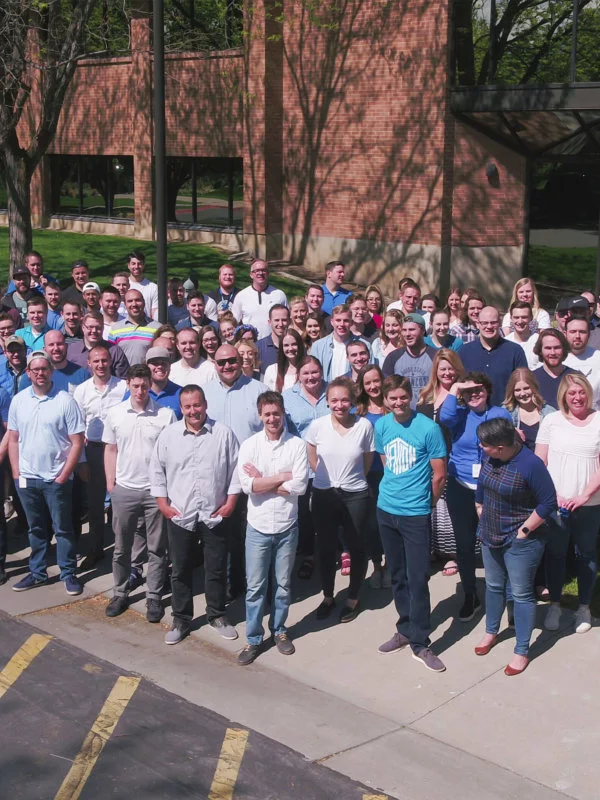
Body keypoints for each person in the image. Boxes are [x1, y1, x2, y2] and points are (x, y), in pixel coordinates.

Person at [150, 384, 241, 645]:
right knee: (180, 569)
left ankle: (217, 615)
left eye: (197, 405)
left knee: (216, 568)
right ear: (181, 408)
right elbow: (157, 471)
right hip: (181, 513)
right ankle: (181, 619)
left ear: (205, 405)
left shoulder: (223, 434)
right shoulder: (168, 436)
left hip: (214, 512)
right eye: (188, 406)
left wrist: (231, 501)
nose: (193, 411)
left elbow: (236, 470)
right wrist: (163, 505)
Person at [375, 375, 448, 672]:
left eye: (402, 397)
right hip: (386, 509)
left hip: (415, 514)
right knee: (398, 575)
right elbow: (386, 462)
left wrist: (426, 504)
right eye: (392, 398)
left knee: (418, 578)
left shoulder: (429, 429)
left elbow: (439, 474)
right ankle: (404, 628)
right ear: (385, 400)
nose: (398, 403)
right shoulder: (381, 426)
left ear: (412, 396)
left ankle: (420, 641)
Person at [474, 418, 557, 676]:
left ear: (501, 446)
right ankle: (491, 632)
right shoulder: (490, 456)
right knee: (494, 585)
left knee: (521, 594)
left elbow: (548, 502)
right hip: (490, 533)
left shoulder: (529, 464)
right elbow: (482, 486)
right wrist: (479, 507)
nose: (481, 446)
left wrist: (524, 531)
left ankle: (521, 650)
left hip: (521, 541)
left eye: (485, 444)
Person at [237, 391, 309, 665]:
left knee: (283, 586)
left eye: (276, 414)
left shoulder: (297, 446)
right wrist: (281, 478)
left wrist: (264, 480)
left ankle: (279, 630)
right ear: (260, 416)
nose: (272, 419)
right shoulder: (250, 445)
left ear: (282, 414)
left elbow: (300, 487)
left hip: (287, 526)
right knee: (255, 588)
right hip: (258, 527)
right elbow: (248, 486)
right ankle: (254, 639)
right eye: (267, 414)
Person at [103, 364, 175, 622]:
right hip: (125, 490)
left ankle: (154, 597)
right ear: (128, 385)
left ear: (150, 385)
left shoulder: (165, 415)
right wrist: (111, 484)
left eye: (145, 386)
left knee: (157, 549)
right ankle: (120, 592)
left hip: (154, 492)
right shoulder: (115, 413)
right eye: (135, 386)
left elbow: (171, 455)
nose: (140, 390)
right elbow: (110, 449)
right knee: (122, 548)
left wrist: (166, 490)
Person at [8, 351, 84, 595]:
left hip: (56, 478)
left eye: (44, 369)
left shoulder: (65, 400)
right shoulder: (19, 400)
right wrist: (17, 473)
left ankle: (68, 573)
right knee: (36, 529)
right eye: (35, 369)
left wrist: (63, 475)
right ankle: (38, 572)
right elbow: (13, 439)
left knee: (62, 529)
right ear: (28, 373)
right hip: (28, 478)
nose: (40, 373)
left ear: (51, 371)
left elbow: (77, 441)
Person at [439, 371, 512, 621]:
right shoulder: (459, 414)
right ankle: (471, 594)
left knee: (498, 541)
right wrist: (456, 387)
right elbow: (444, 415)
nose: (474, 395)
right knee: (464, 545)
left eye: (478, 389)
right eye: (468, 391)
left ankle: (506, 594)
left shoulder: (500, 414)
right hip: (460, 485)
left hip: (492, 486)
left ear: (488, 390)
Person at [306, 377, 374, 622]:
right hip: (324, 493)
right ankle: (327, 595)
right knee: (325, 548)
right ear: (327, 401)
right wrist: (325, 477)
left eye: (345, 399)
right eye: (334, 400)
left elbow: (367, 459)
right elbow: (312, 455)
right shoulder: (317, 426)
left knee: (356, 547)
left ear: (353, 401)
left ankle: (353, 597)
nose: (339, 404)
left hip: (355, 494)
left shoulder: (364, 426)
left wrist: (351, 480)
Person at [536, 373, 600, 635]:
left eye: (582, 392)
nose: (577, 397)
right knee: (556, 554)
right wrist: (555, 495)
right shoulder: (551, 421)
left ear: (589, 393)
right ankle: (555, 604)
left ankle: (583, 607)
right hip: (557, 503)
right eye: (572, 393)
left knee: (586, 555)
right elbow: (540, 461)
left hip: (589, 503)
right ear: (563, 395)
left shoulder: (598, 421)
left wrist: (585, 495)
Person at [73, 345, 127, 569]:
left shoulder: (123, 387)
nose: (101, 365)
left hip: (120, 449)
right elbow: (76, 428)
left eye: (104, 360)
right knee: (95, 504)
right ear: (89, 363)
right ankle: (95, 548)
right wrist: (82, 461)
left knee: (120, 502)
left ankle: (123, 550)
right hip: (93, 450)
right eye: (96, 361)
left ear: (110, 361)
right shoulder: (82, 391)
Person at [417, 348, 465, 575]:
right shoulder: (425, 396)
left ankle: (452, 554)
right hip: (429, 461)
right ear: (435, 371)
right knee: (432, 507)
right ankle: (435, 549)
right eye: (442, 368)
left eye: (451, 368)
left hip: (454, 457)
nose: (447, 373)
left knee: (449, 509)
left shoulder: (463, 395)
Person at [283, 356, 329, 580]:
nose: (311, 377)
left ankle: (336, 552)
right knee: (305, 515)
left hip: (332, 464)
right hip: (302, 465)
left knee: (331, 512)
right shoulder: (288, 398)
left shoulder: (333, 391)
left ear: (321, 372)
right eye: (306, 373)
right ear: (298, 375)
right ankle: (309, 556)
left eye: (315, 372)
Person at [355, 364, 389, 588]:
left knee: (389, 523)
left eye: (376, 381)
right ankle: (377, 565)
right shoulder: (357, 412)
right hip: (367, 475)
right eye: (368, 383)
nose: (373, 386)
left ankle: (392, 564)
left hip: (392, 475)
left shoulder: (393, 406)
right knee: (372, 525)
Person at [459, 306, 527, 406]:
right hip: (472, 413)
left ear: (499, 323)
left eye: (493, 322)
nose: (489, 326)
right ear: (478, 324)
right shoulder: (465, 351)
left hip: (505, 412)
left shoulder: (515, 351)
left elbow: (523, 383)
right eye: (485, 323)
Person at [382, 314, 436, 408]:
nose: (407, 334)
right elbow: (385, 390)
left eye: (412, 330)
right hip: (401, 414)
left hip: (428, 413)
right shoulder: (393, 357)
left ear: (423, 331)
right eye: (404, 330)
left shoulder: (435, 356)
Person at [20, 330, 90, 395]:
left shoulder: (82, 374)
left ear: (66, 346)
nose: (56, 348)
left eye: (59, 344)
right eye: (51, 345)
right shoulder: (32, 376)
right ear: (45, 349)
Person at [232, 260, 288, 339]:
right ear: (251, 274)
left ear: (268, 273)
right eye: (257, 271)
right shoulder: (241, 296)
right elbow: (234, 323)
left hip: (274, 344)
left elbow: (288, 321)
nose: (260, 273)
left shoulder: (279, 295)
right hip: (249, 345)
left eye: (263, 270)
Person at [310, 304, 366, 381]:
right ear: (332, 322)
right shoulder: (318, 347)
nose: (341, 324)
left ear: (351, 323)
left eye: (346, 321)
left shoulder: (364, 346)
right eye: (338, 320)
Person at [67, 312, 130, 379]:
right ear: (83, 328)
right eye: (90, 327)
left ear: (103, 328)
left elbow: (124, 380)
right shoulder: (71, 350)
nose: (94, 330)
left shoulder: (115, 351)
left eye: (98, 327)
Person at [503, 368, 555, 450]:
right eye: (517, 390)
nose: (522, 393)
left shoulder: (550, 412)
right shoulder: (505, 413)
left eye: (526, 388)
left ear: (534, 387)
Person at [107, 289, 161, 365]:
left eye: (137, 300)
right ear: (125, 305)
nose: (134, 304)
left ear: (144, 302)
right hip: (123, 376)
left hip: (147, 375)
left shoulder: (157, 328)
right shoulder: (116, 329)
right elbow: (111, 355)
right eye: (130, 301)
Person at [532, 328, 578, 408]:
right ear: (540, 350)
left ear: (564, 349)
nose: (552, 352)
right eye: (548, 348)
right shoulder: (531, 379)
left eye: (557, 348)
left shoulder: (575, 377)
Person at [564, 314, 600, 409]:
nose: (577, 336)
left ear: (589, 334)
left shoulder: (598, 357)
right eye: (573, 331)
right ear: (565, 333)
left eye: (582, 332)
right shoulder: (557, 358)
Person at [505, 302, 540, 370]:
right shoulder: (505, 342)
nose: (520, 321)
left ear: (531, 318)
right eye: (516, 317)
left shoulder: (539, 341)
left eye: (524, 317)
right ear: (511, 318)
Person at [256, 304, 291, 373]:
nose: (280, 324)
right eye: (277, 320)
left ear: (289, 321)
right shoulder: (258, 347)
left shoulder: (296, 346)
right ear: (269, 322)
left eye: (284, 320)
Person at [127, 250, 159, 321]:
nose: (136, 266)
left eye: (139, 264)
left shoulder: (153, 287)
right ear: (128, 265)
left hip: (146, 326)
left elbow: (155, 312)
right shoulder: (123, 286)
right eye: (133, 263)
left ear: (143, 265)